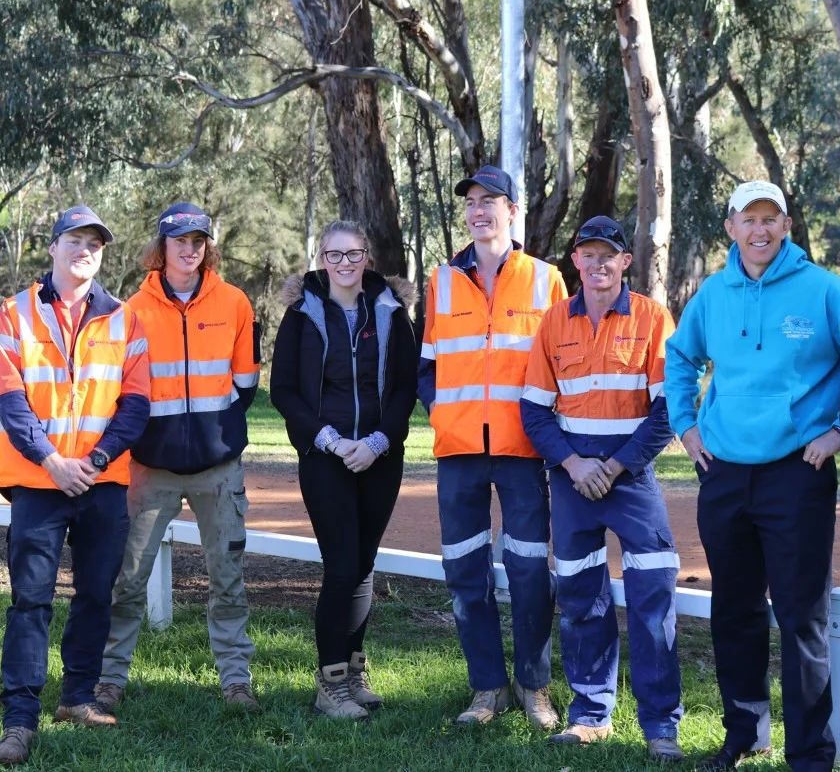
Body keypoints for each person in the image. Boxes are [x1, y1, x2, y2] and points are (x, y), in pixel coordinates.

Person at [663, 181, 840, 771]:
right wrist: (686, 426)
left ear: (786, 226)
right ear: (730, 229)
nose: (760, 230)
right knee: (734, 608)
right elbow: (680, 357)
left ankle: (810, 753)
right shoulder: (713, 292)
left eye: (770, 218)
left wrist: (839, 432)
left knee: (802, 616)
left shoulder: (825, 290)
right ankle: (745, 733)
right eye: (748, 219)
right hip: (723, 472)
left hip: (798, 472)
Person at [0, 205, 150, 766]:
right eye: (75, 240)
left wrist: (96, 460)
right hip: (38, 481)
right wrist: (54, 461)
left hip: (102, 482)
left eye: (94, 244)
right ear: (53, 247)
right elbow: (10, 400)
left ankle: (78, 698)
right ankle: (19, 718)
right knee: (30, 601)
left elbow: (136, 405)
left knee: (96, 595)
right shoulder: (14, 313)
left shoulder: (125, 319)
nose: (85, 250)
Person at [520, 216, 686, 763]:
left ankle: (660, 725)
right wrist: (573, 464)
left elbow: (668, 410)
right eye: (587, 255)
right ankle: (590, 715)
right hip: (572, 481)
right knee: (579, 597)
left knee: (653, 596)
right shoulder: (554, 321)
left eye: (607, 255)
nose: (597, 264)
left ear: (624, 262)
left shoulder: (652, 318)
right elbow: (534, 411)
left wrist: (613, 467)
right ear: (575, 261)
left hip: (630, 478)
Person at [94, 202, 262, 715]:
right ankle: (108, 680)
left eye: (198, 241)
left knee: (227, 577)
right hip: (150, 467)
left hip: (219, 467)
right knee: (127, 579)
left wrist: (214, 434)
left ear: (208, 247)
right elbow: (121, 391)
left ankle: (236, 682)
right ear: (161, 247)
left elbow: (245, 385)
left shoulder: (235, 303)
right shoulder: (131, 311)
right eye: (180, 241)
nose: (190, 250)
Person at [418, 165, 568, 730]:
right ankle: (487, 688)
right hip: (458, 452)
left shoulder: (546, 280)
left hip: (522, 451)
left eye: (490, 201)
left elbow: (561, 365)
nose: (479, 211)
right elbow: (427, 363)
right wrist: (442, 411)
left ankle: (534, 685)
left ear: (512, 211)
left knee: (529, 571)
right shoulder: (442, 280)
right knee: (464, 571)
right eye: (471, 202)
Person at [269, 220, 419, 719]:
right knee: (341, 566)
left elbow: (405, 386)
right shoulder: (301, 313)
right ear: (322, 259)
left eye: (354, 254)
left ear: (367, 257)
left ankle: (354, 674)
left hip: (380, 456)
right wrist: (329, 439)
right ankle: (329, 684)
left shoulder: (392, 311)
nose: (345, 263)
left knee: (364, 565)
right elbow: (283, 389)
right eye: (334, 255)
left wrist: (378, 441)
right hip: (324, 456)